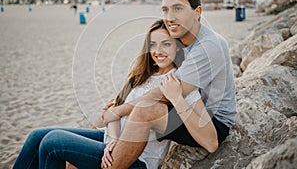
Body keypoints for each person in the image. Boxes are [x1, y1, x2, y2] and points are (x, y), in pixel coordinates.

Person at [12, 19, 200, 169]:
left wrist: (115, 143)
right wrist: (113, 140)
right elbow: (114, 112)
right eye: (153, 45)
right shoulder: (142, 75)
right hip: (109, 140)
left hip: (138, 159)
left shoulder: (175, 81)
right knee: (37, 136)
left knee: (54, 142)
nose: (158, 51)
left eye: (165, 44)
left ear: (177, 46)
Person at [100, 0, 237, 169]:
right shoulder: (181, 36)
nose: (170, 17)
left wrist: (121, 109)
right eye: (165, 10)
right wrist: (122, 100)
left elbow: (167, 92)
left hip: (213, 121)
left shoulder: (209, 45)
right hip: (190, 106)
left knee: (144, 110)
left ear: (197, 12)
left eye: (178, 9)